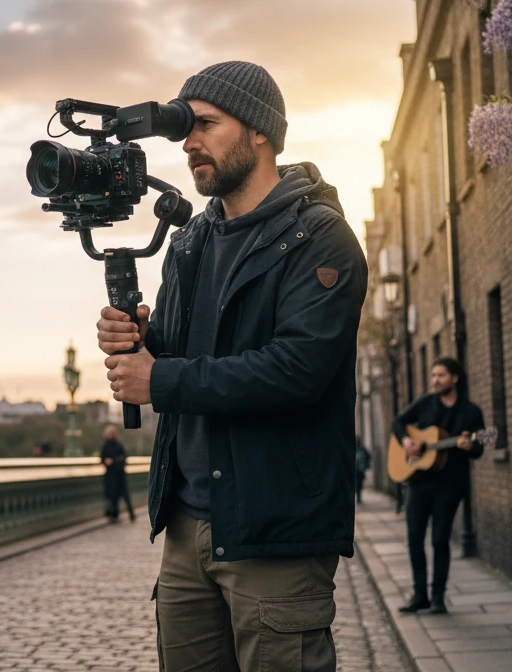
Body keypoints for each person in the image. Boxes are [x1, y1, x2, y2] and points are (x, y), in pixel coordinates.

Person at [97, 61, 366, 670]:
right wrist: (140, 339)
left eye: (206, 125)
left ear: (259, 131)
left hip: (276, 529)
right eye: (183, 129)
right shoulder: (189, 240)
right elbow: (177, 353)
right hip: (185, 526)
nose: (189, 142)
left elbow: (295, 371)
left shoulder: (321, 238)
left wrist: (159, 378)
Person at [391, 357, 484, 615]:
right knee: (414, 539)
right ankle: (419, 594)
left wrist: (470, 445)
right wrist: (407, 440)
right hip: (419, 483)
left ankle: (438, 598)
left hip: (449, 485)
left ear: (455, 378)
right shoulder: (425, 403)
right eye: (433, 375)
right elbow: (398, 422)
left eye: (441, 375)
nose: (435, 380)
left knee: (440, 540)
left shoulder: (470, 412)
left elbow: (480, 447)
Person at [100, 426, 135, 523]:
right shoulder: (105, 446)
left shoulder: (118, 445)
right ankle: (113, 516)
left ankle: (131, 514)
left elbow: (124, 458)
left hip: (119, 475)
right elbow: (102, 459)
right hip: (110, 476)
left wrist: (114, 461)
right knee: (113, 496)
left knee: (125, 495)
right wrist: (106, 461)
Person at [355, 436, 371, 504]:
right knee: (356, 483)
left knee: (360, 483)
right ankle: (358, 496)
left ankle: (359, 496)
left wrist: (366, 466)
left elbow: (368, 457)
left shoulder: (362, 449)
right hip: (355, 470)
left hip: (361, 469)